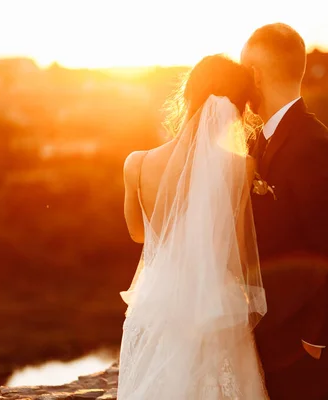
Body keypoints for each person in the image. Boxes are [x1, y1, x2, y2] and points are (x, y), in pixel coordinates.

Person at [118, 54, 268, 399]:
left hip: (158, 303)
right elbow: (239, 255)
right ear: (237, 111)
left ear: (187, 96)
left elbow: (139, 234)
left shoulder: (136, 164)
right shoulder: (241, 168)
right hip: (215, 303)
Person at [241, 23, 328, 399]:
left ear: (256, 75)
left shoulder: (312, 145)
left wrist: (314, 339)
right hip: (274, 338)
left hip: (308, 352)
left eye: (245, 71)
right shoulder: (261, 139)